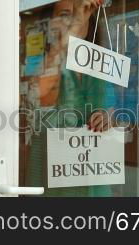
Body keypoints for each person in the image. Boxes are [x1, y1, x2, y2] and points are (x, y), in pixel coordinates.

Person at [24, 0, 116, 197]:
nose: (78, 17)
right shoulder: (38, 61)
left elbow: (113, 111)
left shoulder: (99, 65)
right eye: (66, 14)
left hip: (92, 178)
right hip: (51, 179)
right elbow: (38, 93)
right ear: (49, 23)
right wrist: (70, 33)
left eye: (83, 12)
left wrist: (108, 119)